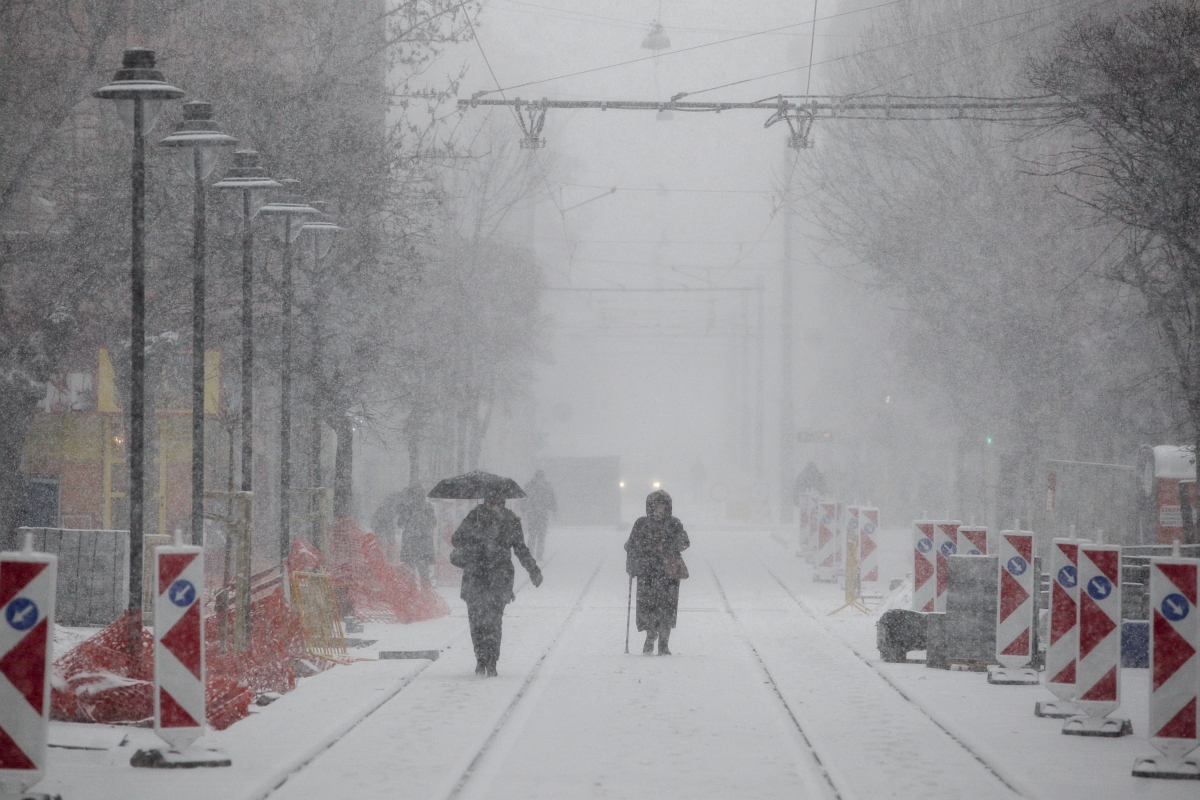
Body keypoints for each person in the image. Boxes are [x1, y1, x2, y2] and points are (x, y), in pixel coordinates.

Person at [452, 488, 543, 676]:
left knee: (491, 622)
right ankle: (482, 659)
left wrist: (533, 570)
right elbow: (456, 539)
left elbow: (520, 549)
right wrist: (474, 534)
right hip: (488, 577)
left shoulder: (505, 520)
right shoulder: (480, 517)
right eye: (492, 503)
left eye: (497, 503)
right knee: (479, 621)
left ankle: (490, 661)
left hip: (489, 577)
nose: (494, 506)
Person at [624, 489, 690, 656]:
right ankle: (650, 634)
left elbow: (685, 542)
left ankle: (664, 642)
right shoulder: (642, 524)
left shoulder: (674, 523)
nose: (659, 510)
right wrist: (633, 563)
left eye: (662, 506)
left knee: (667, 608)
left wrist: (669, 547)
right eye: (656, 506)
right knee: (648, 607)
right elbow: (630, 544)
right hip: (647, 573)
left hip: (668, 574)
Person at [396, 484, 437, 583]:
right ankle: (426, 596)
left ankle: (412, 596)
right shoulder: (428, 507)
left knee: (410, 575)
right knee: (424, 575)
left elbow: (400, 524)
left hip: (409, 545)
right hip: (424, 545)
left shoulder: (407, 508)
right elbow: (433, 523)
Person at [522, 470, 557, 559]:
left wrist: (524, 509)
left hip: (532, 513)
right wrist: (554, 510)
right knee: (541, 536)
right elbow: (552, 499)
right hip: (542, 514)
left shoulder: (529, 486)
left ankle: (530, 554)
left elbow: (524, 498)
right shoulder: (546, 486)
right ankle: (539, 555)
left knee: (532, 535)